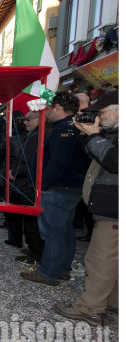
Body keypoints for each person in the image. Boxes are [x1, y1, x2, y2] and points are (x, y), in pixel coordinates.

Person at [55, 90, 118, 326]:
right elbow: (94, 155)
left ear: (118, 109)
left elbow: (115, 161)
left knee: (100, 261)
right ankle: (113, 301)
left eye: (101, 113)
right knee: (113, 261)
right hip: (112, 208)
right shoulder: (112, 133)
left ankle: (89, 308)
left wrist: (94, 137)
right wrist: (87, 136)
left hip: (114, 211)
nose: (99, 118)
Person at [20, 92, 87, 286]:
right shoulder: (72, 126)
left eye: (49, 108)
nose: (46, 112)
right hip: (69, 187)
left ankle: (49, 272)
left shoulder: (63, 129)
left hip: (58, 188)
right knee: (64, 231)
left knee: (52, 233)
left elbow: (58, 163)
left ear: (57, 107)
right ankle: (62, 269)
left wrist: (42, 186)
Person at [3, 111, 42, 255]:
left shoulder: (37, 135)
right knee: (25, 216)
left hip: (26, 182)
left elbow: (31, 162)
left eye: (29, 119)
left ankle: (36, 251)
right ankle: (32, 246)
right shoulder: (32, 135)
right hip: (22, 180)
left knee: (31, 219)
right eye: (24, 119)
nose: (25, 122)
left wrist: (14, 172)